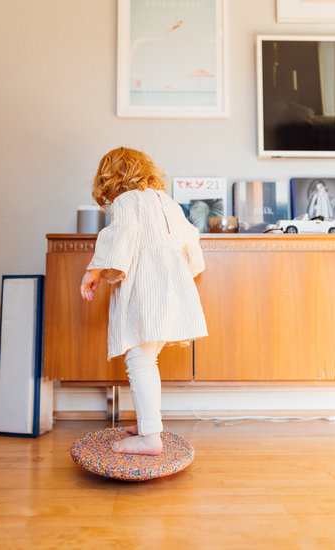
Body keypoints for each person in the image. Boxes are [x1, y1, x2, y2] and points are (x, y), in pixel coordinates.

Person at [80, 147, 208, 456]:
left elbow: (120, 236)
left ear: (112, 178)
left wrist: (93, 272)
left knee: (139, 360)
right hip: (173, 292)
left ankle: (151, 438)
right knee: (146, 360)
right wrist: (178, 278)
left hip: (146, 292)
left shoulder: (126, 201)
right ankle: (149, 424)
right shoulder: (169, 202)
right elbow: (192, 246)